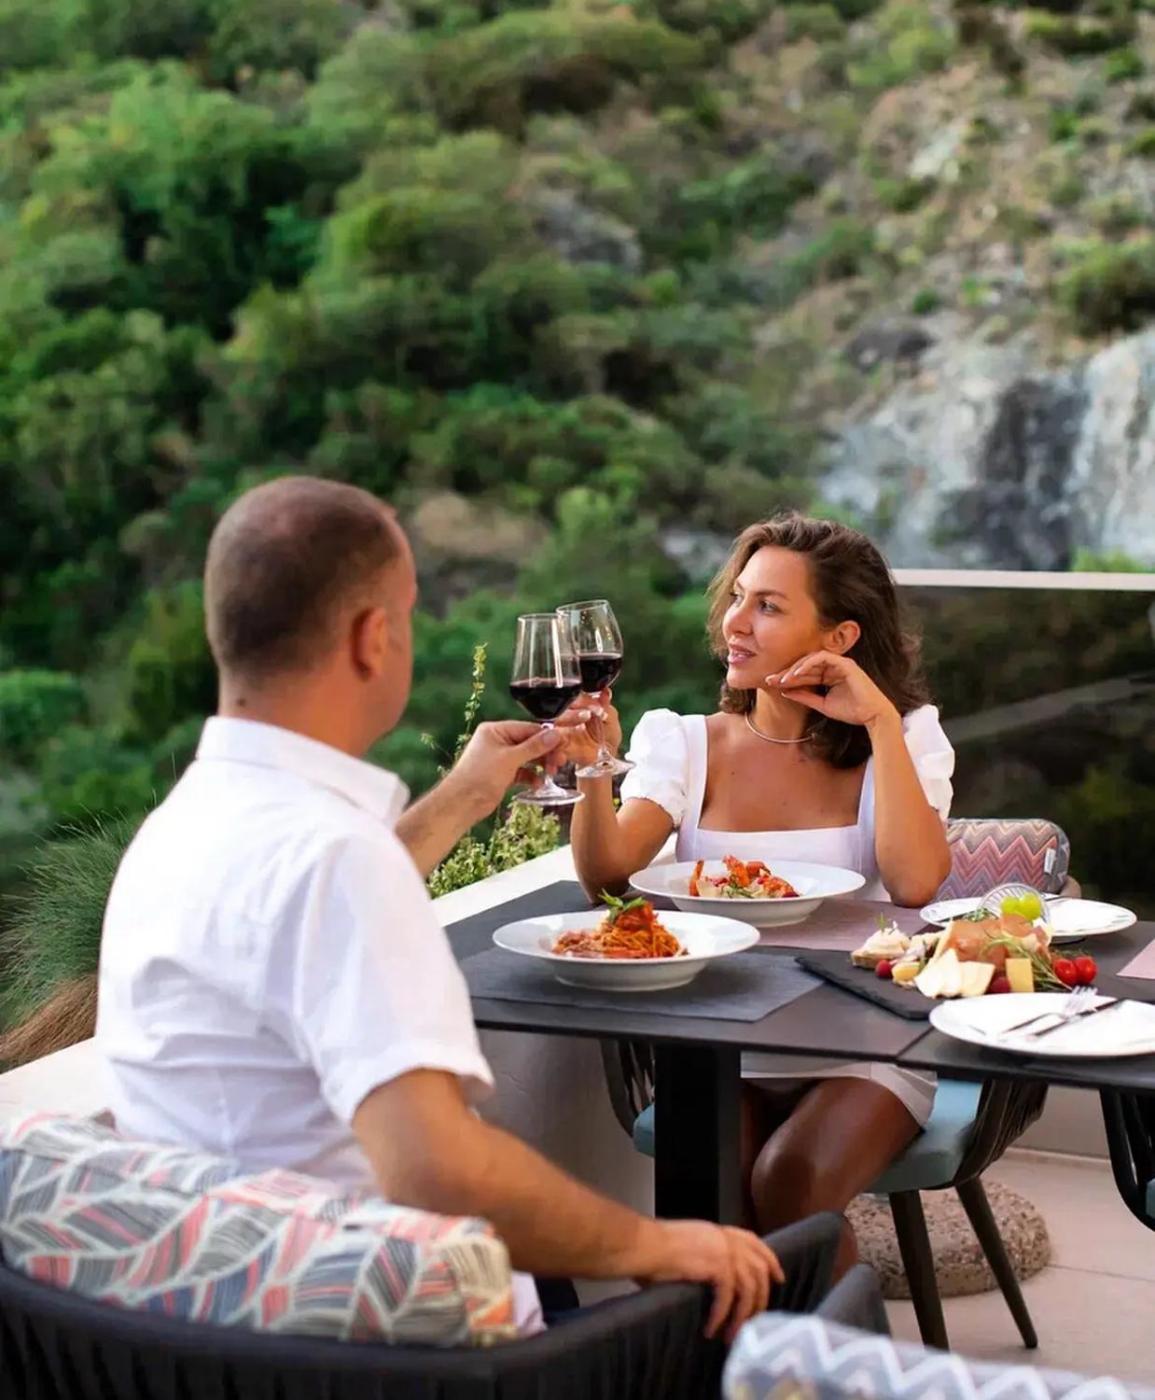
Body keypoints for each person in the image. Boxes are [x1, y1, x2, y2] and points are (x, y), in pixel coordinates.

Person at [95, 476, 808, 1344]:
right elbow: (436, 1172)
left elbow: (313, 900)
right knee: (790, 1288)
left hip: (209, 1322)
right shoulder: (336, 857)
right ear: (373, 637)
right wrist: (659, 1246)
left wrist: (465, 797)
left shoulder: (180, 830)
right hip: (394, 1340)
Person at [569, 512, 955, 1275]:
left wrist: (878, 719)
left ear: (839, 637)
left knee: (790, 1180)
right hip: (720, 1044)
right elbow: (608, 876)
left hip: (864, 1046)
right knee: (705, 1197)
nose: (734, 623)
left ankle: (835, 1351)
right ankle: (747, 1352)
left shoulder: (903, 738)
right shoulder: (686, 742)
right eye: (738, 598)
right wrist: (590, 768)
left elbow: (915, 883)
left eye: (768, 606)